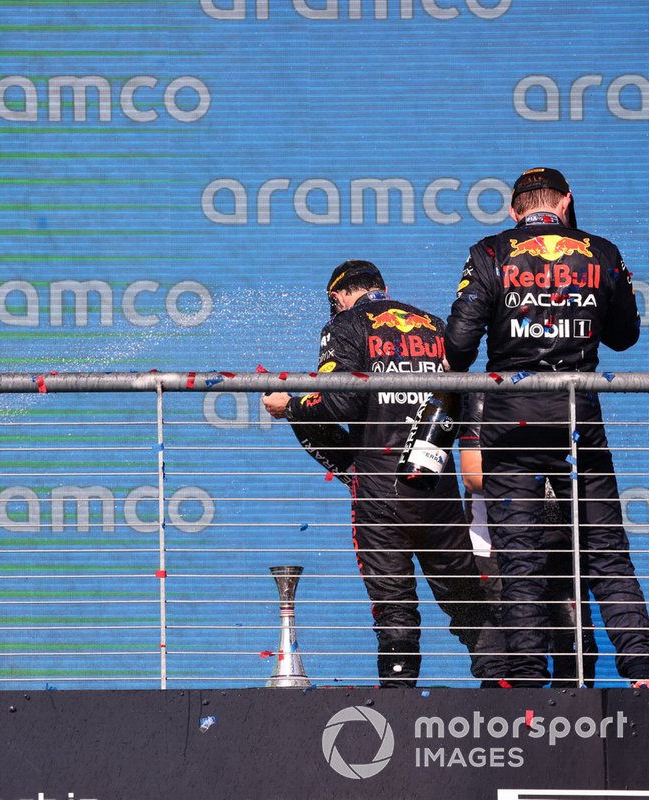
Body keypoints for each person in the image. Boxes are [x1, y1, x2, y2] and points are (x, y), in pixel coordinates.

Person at [445, 167, 649, 688]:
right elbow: (626, 336)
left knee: (520, 557)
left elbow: (459, 346)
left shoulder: (491, 251)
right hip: (579, 414)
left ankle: (529, 687)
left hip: (511, 419)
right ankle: (643, 674)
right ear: (566, 202)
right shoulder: (600, 251)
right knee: (605, 548)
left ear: (514, 212)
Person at [264, 259, 501, 687]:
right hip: (437, 491)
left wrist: (291, 407)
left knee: (394, 607)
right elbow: (462, 406)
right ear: (382, 286)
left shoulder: (346, 324)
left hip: (380, 496)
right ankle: (505, 694)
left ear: (337, 297)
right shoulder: (435, 325)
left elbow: (338, 403)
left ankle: (397, 706)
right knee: (467, 601)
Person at [457, 393, 597, 686]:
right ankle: (507, 726)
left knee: (577, 650)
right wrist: (531, 474)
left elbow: (587, 473)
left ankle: (571, 728)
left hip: (557, 544)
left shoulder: (566, 395)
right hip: (497, 549)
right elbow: (472, 475)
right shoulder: (485, 394)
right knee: (505, 660)